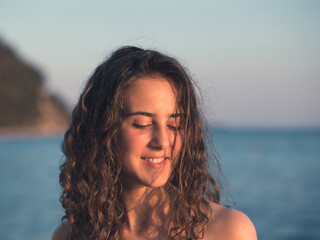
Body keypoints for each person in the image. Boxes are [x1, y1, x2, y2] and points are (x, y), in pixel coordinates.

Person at [52, 46, 257, 240]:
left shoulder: (229, 231)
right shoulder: (71, 235)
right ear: (104, 130)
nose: (163, 141)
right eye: (142, 124)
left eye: (174, 124)